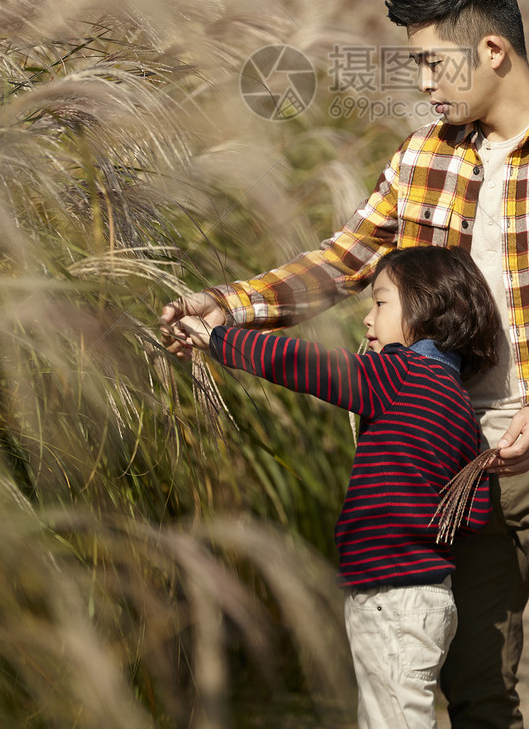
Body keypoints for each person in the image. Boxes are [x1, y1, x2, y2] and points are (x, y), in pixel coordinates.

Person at [161, 0, 529, 729]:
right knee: (477, 692)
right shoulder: (423, 157)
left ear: (492, 51)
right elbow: (343, 260)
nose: (423, 83)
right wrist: (227, 305)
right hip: (460, 470)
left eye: (433, 62)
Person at [174, 245, 500, 729]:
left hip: (391, 595)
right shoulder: (456, 401)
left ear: (428, 307)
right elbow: (472, 511)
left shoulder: (402, 374)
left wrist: (220, 338)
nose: (367, 320)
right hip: (426, 597)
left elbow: (303, 364)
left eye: (381, 303)